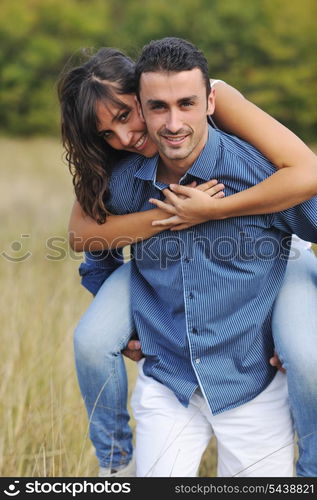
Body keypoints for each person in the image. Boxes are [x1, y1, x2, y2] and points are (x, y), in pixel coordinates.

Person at [58, 45, 317, 476]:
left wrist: (213, 209)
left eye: (125, 118)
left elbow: (306, 175)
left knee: (305, 355)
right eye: (158, 107)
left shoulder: (230, 126)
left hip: (280, 252)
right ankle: (115, 466)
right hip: (171, 371)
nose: (124, 138)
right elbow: (87, 240)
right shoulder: (123, 175)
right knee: (92, 340)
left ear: (205, 102)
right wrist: (133, 317)